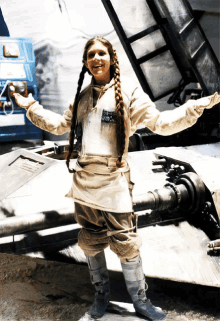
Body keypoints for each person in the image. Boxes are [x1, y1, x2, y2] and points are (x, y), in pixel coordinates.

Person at [13, 36, 220, 321]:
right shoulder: (82, 97)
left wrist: (193, 109)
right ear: (86, 63)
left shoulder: (130, 94)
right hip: (85, 184)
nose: (96, 58)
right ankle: (101, 298)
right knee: (90, 241)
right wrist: (30, 106)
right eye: (90, 55)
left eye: (101, 53)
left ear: (112, 58)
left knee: (127, 243)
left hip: (115, 183)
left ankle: (141, 302)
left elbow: (160, 124)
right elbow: (59, 125)